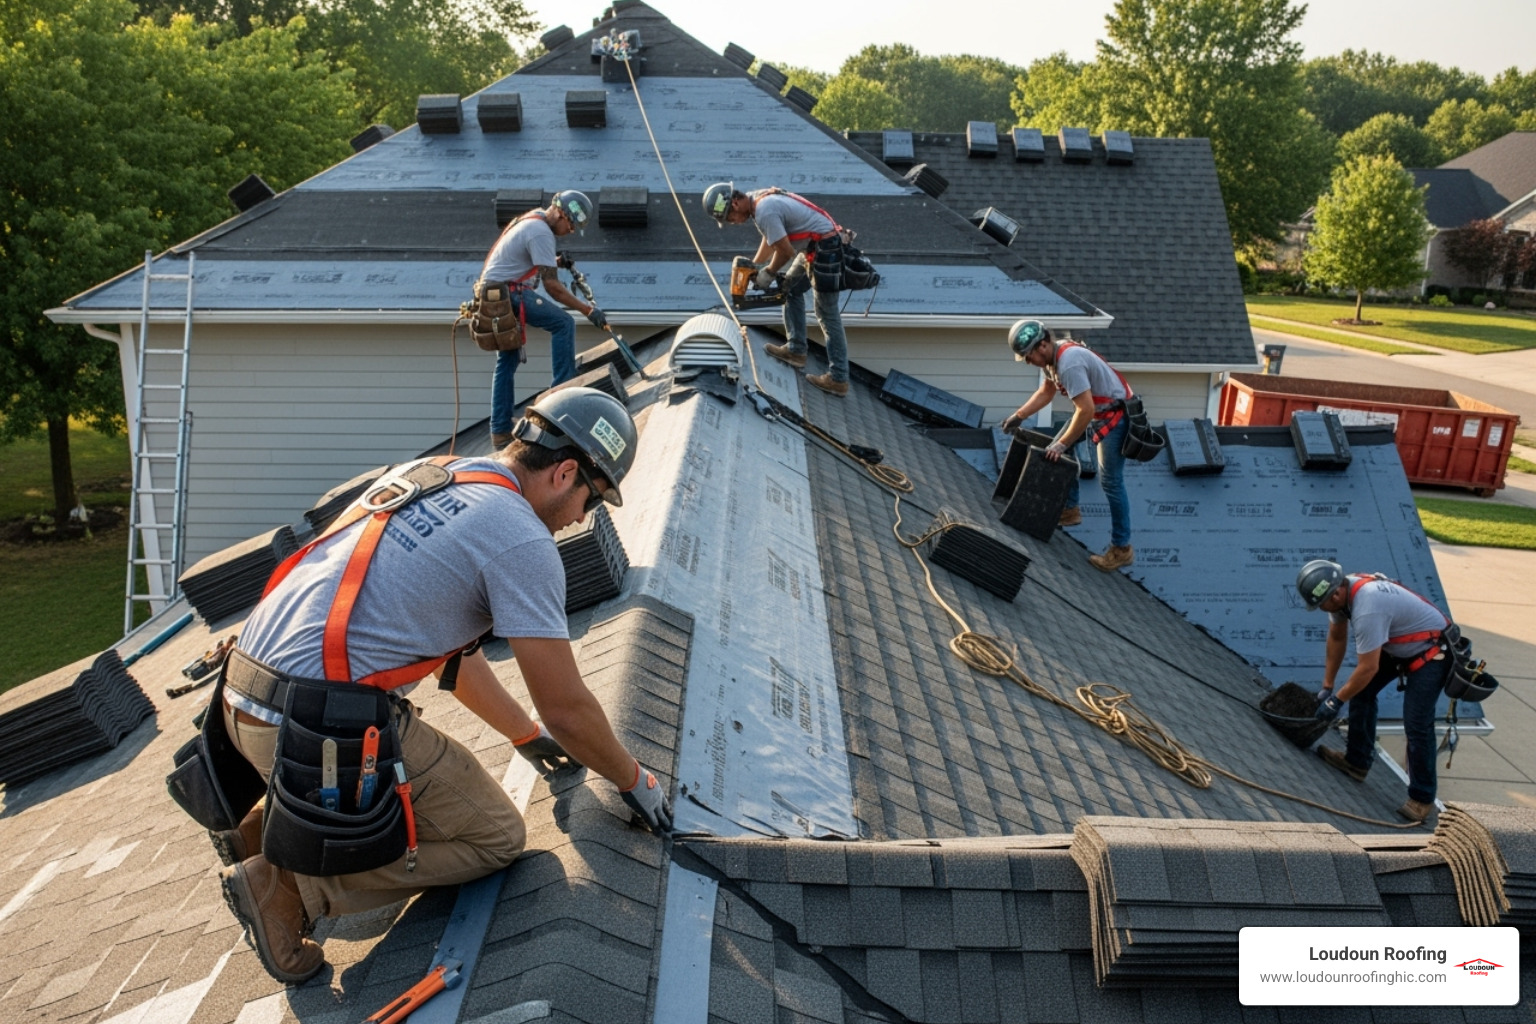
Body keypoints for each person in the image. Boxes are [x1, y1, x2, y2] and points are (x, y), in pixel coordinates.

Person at [213, 387, 672, 984]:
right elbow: (567, 707)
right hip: (311, 730)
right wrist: (635, 782)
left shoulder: (440, 472)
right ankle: (289, 883)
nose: (583, 518)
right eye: (592, 498)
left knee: (418, 808)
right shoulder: (522, 540)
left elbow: (447, 656)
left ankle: (268, 821)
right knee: (495, 838)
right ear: (564, 473)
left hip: (240, 704)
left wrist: (523, 735)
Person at [1297, 559, 1454, 823]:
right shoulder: (1341, 592)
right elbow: (1336, 637)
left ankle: (1422, 798)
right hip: (1402, 648)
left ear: (1335, 593)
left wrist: (1336, 702)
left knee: (1417, 724)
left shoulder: (1367, 608)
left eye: (1320, 604)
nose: (1321, 609)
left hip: (1433, 653)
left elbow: (1368, 667)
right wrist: (1327, 686)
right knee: (1362, 692)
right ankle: (1356, 762)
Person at [999, 320, 1135, 571]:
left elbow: (1085, 410)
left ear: (1042, 345)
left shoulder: (1069, 363)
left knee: (1111, 481)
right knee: (1057, 449)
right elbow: (1046, 392)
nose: (1029, 363)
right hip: (1096, 414)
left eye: (1029, 357)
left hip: (1115, 417)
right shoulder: (1052, 360)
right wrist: (1019, 416)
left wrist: (1062, 444)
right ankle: (1070, 509)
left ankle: (1122, 548)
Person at [479, 190, 610, 449]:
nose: (570, 231)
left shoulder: (534, 218)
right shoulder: (541, 233)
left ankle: (500, 431)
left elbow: (528, 259)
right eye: (571, 224)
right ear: (561, 213)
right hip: (508, 294)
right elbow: (553, 287)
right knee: (564, 323)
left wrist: (556, 261)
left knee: (508, 359)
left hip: (494, 295)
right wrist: (588, 311)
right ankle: (562, 403)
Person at [703, 181, 851, 397]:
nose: (732, 223)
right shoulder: (757, 201)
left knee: (826, 314)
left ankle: (838, 379)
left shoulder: (764, 210)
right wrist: (755, 265)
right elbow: (770, 237)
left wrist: (769, 272)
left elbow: (784, 251)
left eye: (729, 218)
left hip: (826, 250)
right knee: (789, 289)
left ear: (734, 203)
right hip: (815, 247)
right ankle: (796, 350)